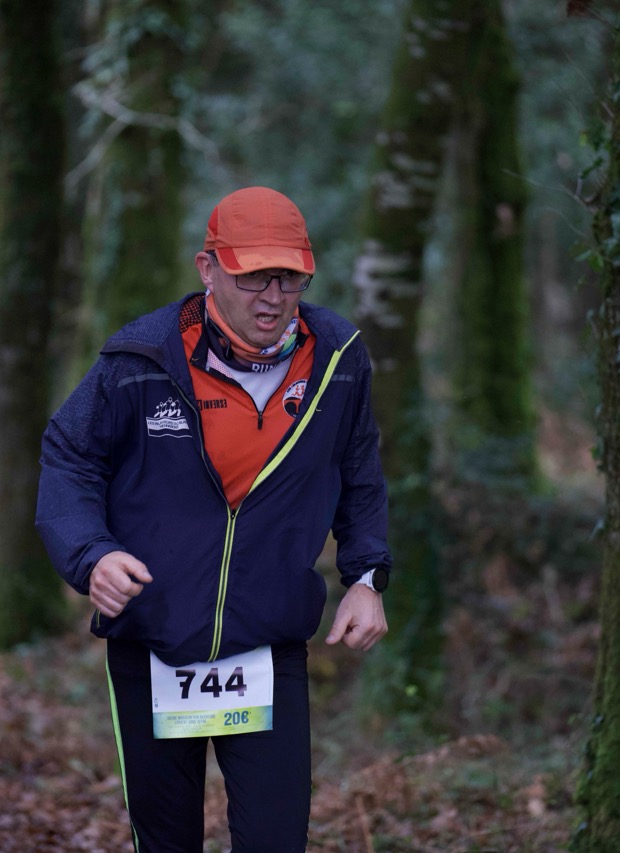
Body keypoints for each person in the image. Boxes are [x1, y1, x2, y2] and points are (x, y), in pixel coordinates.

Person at [36, 186, 392, 852]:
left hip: (267, 645)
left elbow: (360, 472)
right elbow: (69, 458)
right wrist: (91, 555)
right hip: (153, 639)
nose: (273, 296)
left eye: (289, 277)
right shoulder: (140, 360)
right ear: (208, 269)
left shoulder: (337, 359)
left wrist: (366, 576)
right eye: (253, 275)